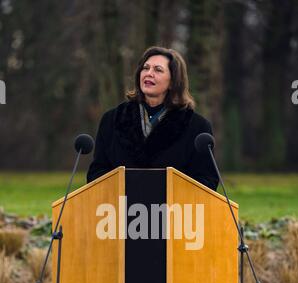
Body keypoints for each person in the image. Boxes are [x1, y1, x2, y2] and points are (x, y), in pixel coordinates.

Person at [87, 46, 219, 191]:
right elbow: (96, 174)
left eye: (158, 70)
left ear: (174, 81)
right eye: (146, 68)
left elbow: (207, 181)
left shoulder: (197, 127)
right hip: (119, 209)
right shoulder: (112, 119)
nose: (149, 73)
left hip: (175, 211)